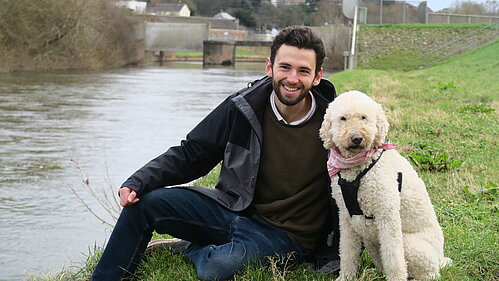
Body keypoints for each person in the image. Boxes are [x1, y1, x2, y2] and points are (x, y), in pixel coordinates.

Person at [91, 25, 339, 281]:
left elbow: (371, 164)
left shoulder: (336, 120)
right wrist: (139, 181)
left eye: (303, 71)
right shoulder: (244, 107)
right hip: (235, 209)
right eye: (285, 67)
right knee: (145, 204)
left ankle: (193, 246)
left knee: (217, 268)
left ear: (317, 76)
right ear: (269, 67)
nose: (292, 79)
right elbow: (193, 153)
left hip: (287, 235)